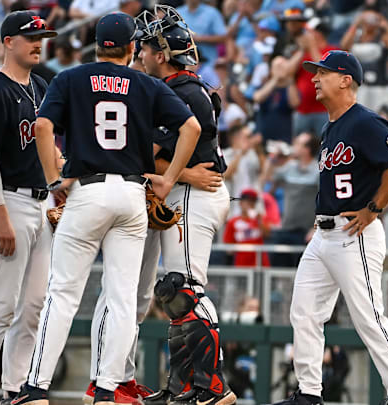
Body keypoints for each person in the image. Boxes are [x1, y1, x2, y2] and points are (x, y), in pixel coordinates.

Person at [17, 11, 201, 405]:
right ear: (132, 47)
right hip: (132, 195)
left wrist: (53, 181)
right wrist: (168, 180)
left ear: (97, 44)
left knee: (63, 294)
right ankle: (106, 389)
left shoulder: (70, 78)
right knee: (122, 299)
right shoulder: (146, 84)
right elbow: (192, 128)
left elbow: (42, 128)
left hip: (88, 190)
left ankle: (35, 388)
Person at [97, 8, 234, 405]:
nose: (139, 53)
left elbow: (143, 155)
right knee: (174, 294)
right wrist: (181, 174)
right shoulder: (185, 86)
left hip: (194, 196)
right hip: (189, 190)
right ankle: (185, 386)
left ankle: (212, 386)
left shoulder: (183, 91)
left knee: (185, 290)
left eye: (146, 47)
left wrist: (179, 176)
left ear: (163, 53)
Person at [270, 50, 388, 405]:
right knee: (303, 312)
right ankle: (308, 393)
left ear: (345, 79)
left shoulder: (365, 121)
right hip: (323, 235)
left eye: (322, 73)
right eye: (315, 73)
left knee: (368, 317)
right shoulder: (330, 126)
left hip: (355, 234)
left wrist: (373, 208)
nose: (315, 79)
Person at [0, 11, 57, 405]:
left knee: (34, 304)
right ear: (7, 42)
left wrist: (58, 185)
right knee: (0, 304)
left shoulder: (41, 85)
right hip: (4, 199)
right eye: (29, 36)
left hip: (37, 201)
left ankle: (16, 387)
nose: (38, 43)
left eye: (41, 36)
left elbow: (49, 147)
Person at [261, 132, 321, 267]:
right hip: (286, 229)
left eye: (298, 143)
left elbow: (324, 201)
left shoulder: (318, 171)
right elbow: (267, 181)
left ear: (307, 149)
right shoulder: (289, 168)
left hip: (306, 233)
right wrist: (272, 158)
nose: (294, 146)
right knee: (278, 270)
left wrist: (315, 228)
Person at [223, 188, 271, 267]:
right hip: (241, 265)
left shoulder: (260, 218)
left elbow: (267, 235)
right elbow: (229, 248)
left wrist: (259, 221)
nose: (250, 204)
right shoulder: (233, 221)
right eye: (247, 201)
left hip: (260, 264)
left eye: (253, 201)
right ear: (241, 203)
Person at [177, 0, 226, 65]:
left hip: (208, 64)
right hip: (183, 64)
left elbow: (223, 38)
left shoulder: (212, 13)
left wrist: (198, 38)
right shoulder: (177, 12)